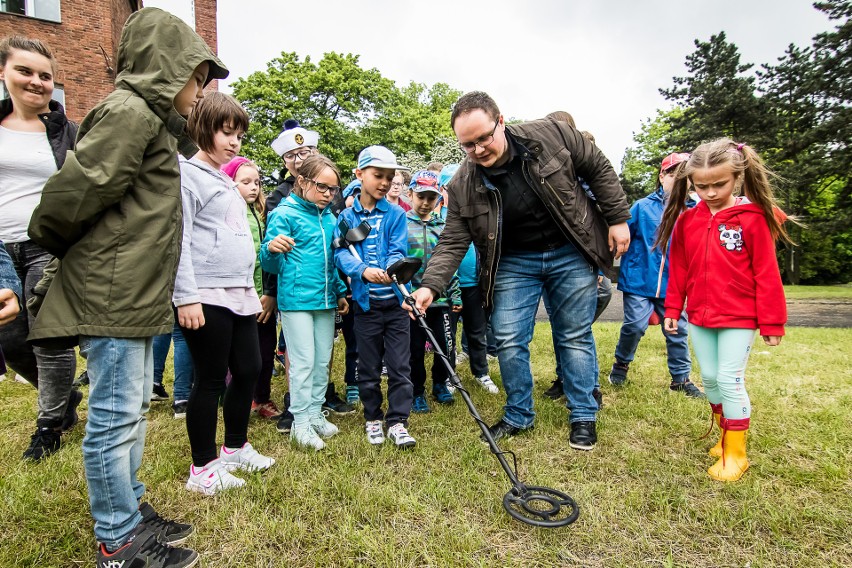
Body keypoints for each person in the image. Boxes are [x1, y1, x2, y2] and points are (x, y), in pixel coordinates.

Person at [26, 8, 227, 566]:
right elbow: (80, 189)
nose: (201, 90)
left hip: (135, 292)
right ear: (166, 66)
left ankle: (132, 510)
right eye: (196, 76)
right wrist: (51, 240)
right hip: (112, 291)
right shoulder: (130, 113)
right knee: (115, 416)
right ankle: (116, 538)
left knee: (132, 409)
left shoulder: (154, 123)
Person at [410, 91, 630, 451]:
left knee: (573, 334)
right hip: (512, 261)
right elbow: (451, 241)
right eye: (468, 144)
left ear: (501, 121)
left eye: (484, 137)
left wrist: (618, 218)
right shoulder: (463, 184)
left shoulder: (552, 134)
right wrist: (430, 287)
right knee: (509, 339)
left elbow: (597, 167)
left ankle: (583, 415)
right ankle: (518, 414)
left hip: (569, 249)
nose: (479, 149)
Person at [658, 138, 789, 482]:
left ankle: (736, 453)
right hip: (700, 316)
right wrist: (673, 307)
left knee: (730, 380)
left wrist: (772, 321)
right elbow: (680, 269)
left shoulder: (753, 219)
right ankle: (723, 435)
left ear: (738, 178)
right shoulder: (687, 221)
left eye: (720, 184)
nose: (711, 192)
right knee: (712, 380)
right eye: (702, 186)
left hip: (740, 317)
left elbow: (766, 271)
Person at [174, 92, 276, 495]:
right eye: (225, 132)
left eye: (239, 134)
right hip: (205, 292)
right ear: (203, 129)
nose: (234, 141)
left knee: (249, 369)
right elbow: (178, 238)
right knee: (211, 379)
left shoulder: (225, 179)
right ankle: (202, 469)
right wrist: (186, 296)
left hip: (239, 292)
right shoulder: (188, 175)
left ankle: (234, 446)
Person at [0, 35, 81, 461]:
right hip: (0, 247)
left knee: (49, 337)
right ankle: (65, 396)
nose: (36, 82)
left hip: (45, 244)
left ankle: (49, 424)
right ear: (4, 73)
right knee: (11, 341)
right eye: (24, 71)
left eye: (45, 76)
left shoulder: (69, 133)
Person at [268, 121, 354, 429]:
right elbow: (269, 262)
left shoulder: (330, 218)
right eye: (322, 187)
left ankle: (316, 414)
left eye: (333, 189)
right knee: (302, 362)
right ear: (302, 181)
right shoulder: (284, 214)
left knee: (321, 361)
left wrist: (341, 292)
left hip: (327, 299)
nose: (329, 194)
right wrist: (271, 249)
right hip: (296, 301)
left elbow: (334, 261)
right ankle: (300, 422)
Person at [334, 145, 416, 449]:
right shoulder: (344, 218)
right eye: (377, 175)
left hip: (395, 305)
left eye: (389, 177)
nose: (384, 182)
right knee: (367, 366)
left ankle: (397, 421)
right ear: (359, 174)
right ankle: (372, 416)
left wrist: (391, 268)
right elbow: (341, 253)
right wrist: (362, 270)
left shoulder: (396, 214)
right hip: (365, 306)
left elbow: (397, 249)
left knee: (399, 366)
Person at [607, 152, 703, 398]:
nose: (680, 180)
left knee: (677, 329)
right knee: (635, 325)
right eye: (674, 174)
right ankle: (621, 363)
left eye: (686, 176)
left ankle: (680, 379)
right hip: (639, 281)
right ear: (662, 176)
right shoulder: (642, 206)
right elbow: (619, 235)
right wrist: (603, 267)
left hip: (673, 285)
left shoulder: (694, 211)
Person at [223, 156, 281, 420]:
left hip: (261, 297)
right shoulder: (225, 212)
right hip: (234, 297)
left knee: (264, 351)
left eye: (257, 182)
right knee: (236, 354)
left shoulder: (261, 213)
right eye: (245, 182)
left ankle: (262, 397)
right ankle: (237, 397)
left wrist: (269, 293)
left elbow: (266, 258)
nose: (253, 187)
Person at [404, 170, 463, 413]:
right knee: (414, 350)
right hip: (413, 302)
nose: (426, 202)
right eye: (421, 196)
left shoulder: (444, 227)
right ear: (410, 195)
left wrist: (455, 293)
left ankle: (440, 383)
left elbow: (452, 264)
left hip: (441, 300)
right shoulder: (401, 225)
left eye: (432, 197)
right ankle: (417, 391)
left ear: (439, 198)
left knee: (445, 346)